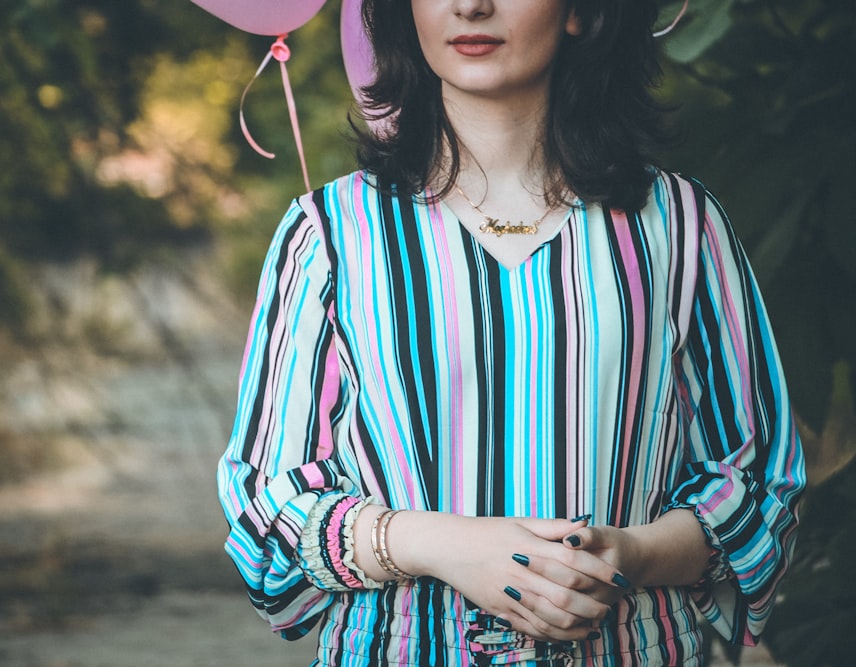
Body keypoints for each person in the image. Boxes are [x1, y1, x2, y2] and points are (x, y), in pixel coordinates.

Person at [217, 1, 806, 665]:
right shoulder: (329, 233)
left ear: (581, 13)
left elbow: (755, 486)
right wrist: (443, 543)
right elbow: (269, 514)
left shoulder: (679, 227)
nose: (471, 5)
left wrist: (630, 556)